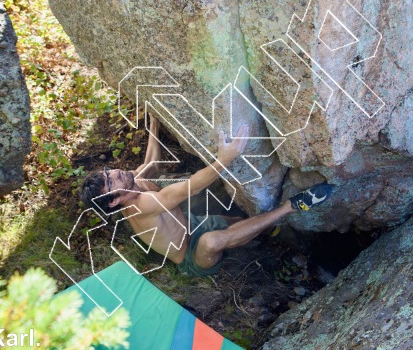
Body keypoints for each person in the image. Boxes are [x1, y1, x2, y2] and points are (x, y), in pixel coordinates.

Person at [80, 115, 332, 277]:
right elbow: (191, 188)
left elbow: (152, 162)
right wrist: (224, 159)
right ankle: (292, 206)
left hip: (195, 223)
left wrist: (154, 126)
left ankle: (267, 230)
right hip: (191, 255)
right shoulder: (141, 205)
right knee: (211, 242)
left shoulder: (133, 182)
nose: (115, 172)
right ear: (113, 201)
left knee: (243, 227)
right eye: (111, 180)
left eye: (108, 171)